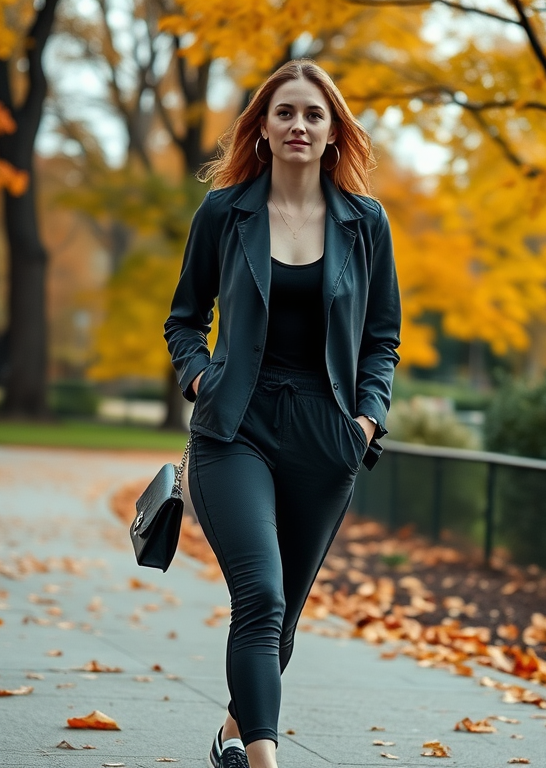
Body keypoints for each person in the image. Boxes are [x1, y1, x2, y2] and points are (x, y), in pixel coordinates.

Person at [163, 59, 401, 768]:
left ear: (334, 134)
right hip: (235, 427)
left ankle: (232, 736)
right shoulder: (225, 212)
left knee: (283, 616)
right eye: (285, 112)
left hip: (326, 438)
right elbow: (184, 318)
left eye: (314, 114)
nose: (299, 124)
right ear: (262, 128)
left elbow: (381, 338)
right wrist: (201, 377)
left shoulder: (366, 223)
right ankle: (265, 759)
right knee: (261, 596)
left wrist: (366, 420)